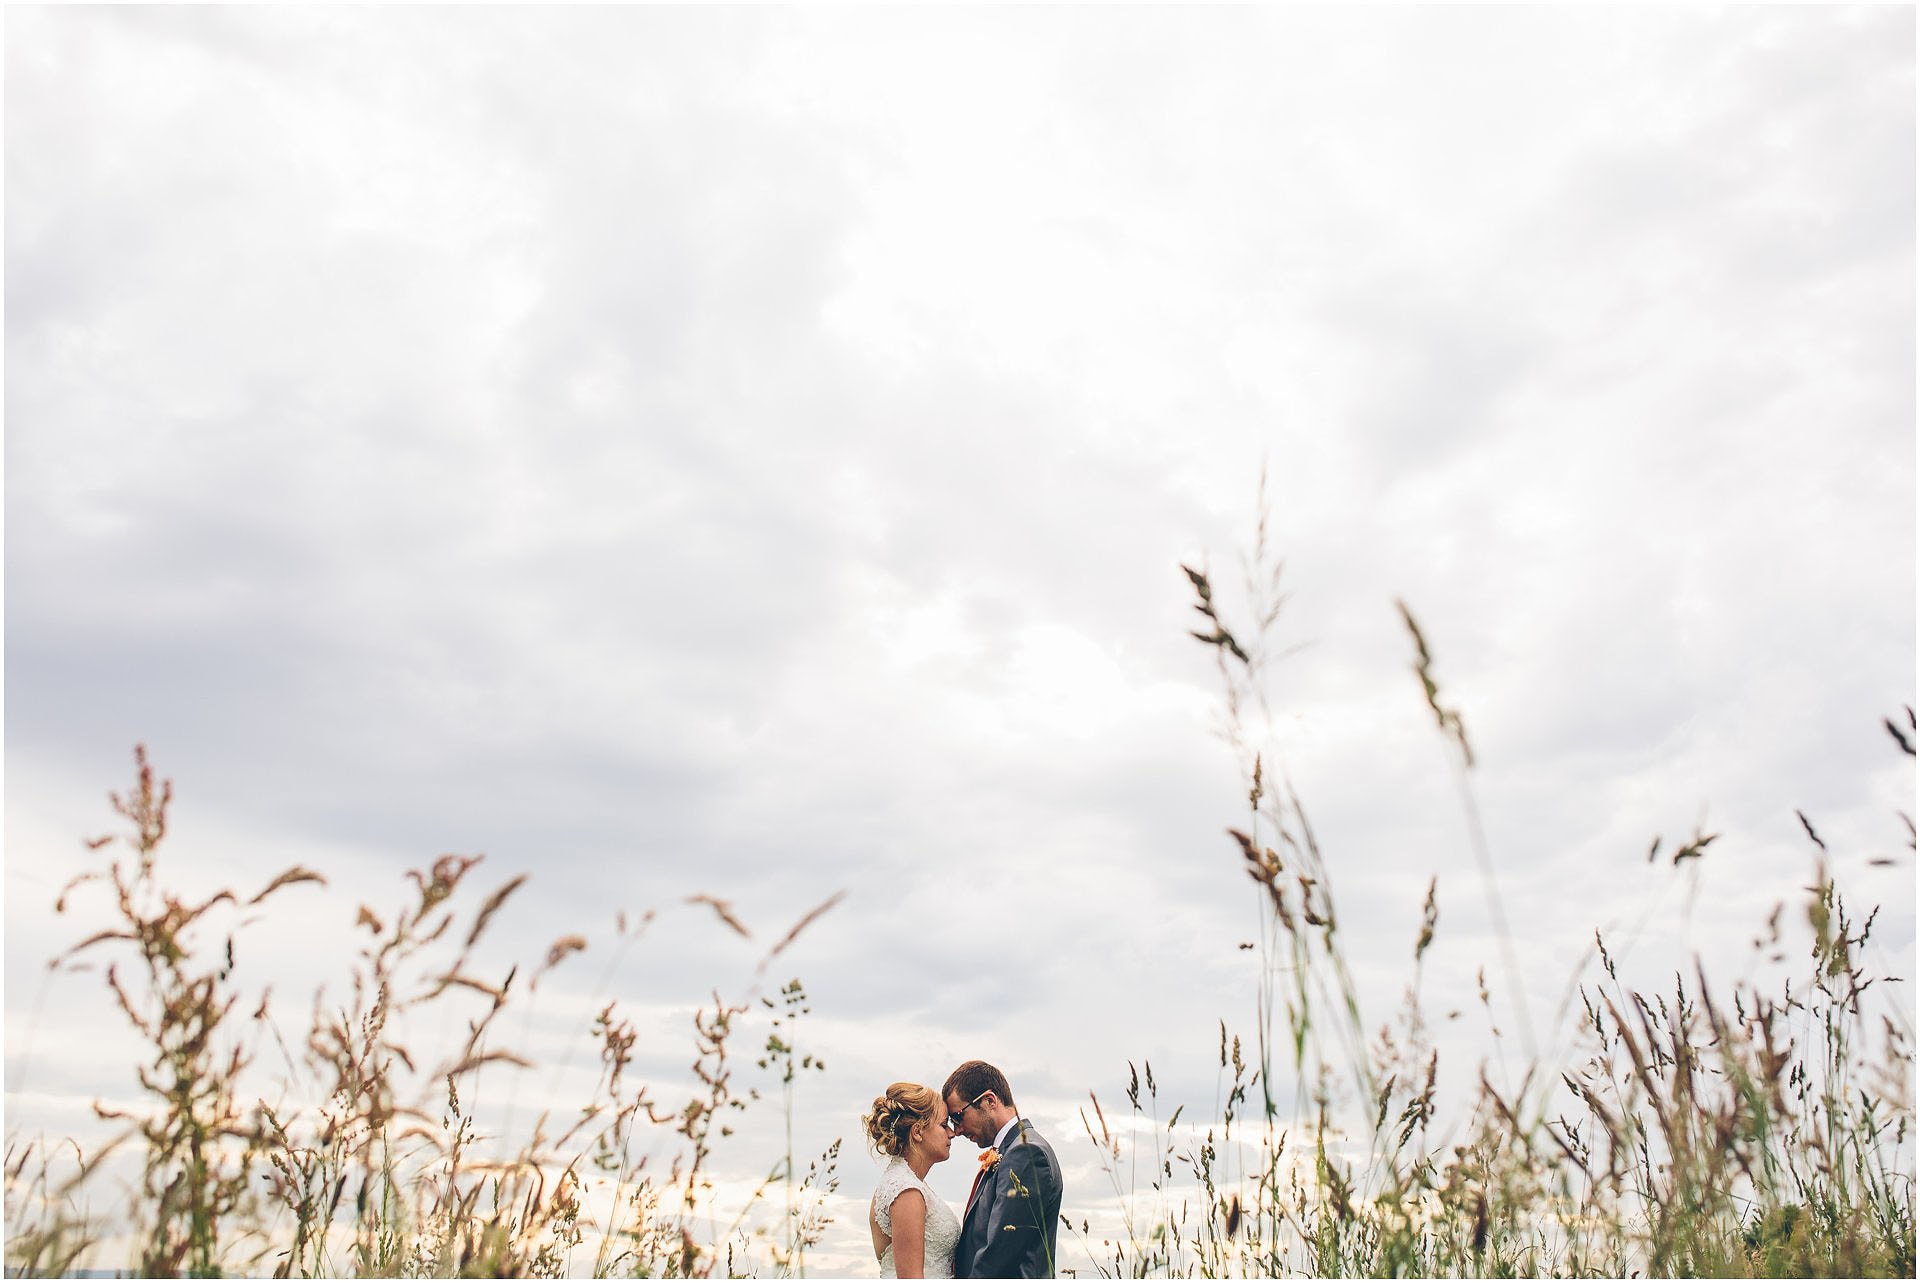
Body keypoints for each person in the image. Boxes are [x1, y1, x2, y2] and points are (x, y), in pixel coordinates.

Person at [943, 1061, 1063, 1279]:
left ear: (989, 1101)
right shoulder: (1012, 1151)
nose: (957, 1130)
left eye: (959, 1116)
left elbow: (999, 1255)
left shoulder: (1026, 1153)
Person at [863, 1082, 962, 1278]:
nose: (952, 1132)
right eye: (943, 1125)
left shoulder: (908, 1183)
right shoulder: (906, 1191)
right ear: (917, 1132)